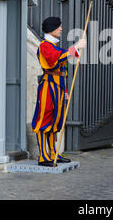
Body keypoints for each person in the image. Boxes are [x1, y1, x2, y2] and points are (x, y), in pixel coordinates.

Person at [32, 17, 86, 167]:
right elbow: (55, 59)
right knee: (45, 119)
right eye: (59, 27)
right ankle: (43, 156)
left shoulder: (54, 46)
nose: (61, 29)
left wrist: (65, 90)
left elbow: (63, 69)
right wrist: (75, 47)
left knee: (55, 121)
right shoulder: (45, 46)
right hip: (48, 86)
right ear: (52, 29)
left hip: (58, 87)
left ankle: (53, 153)